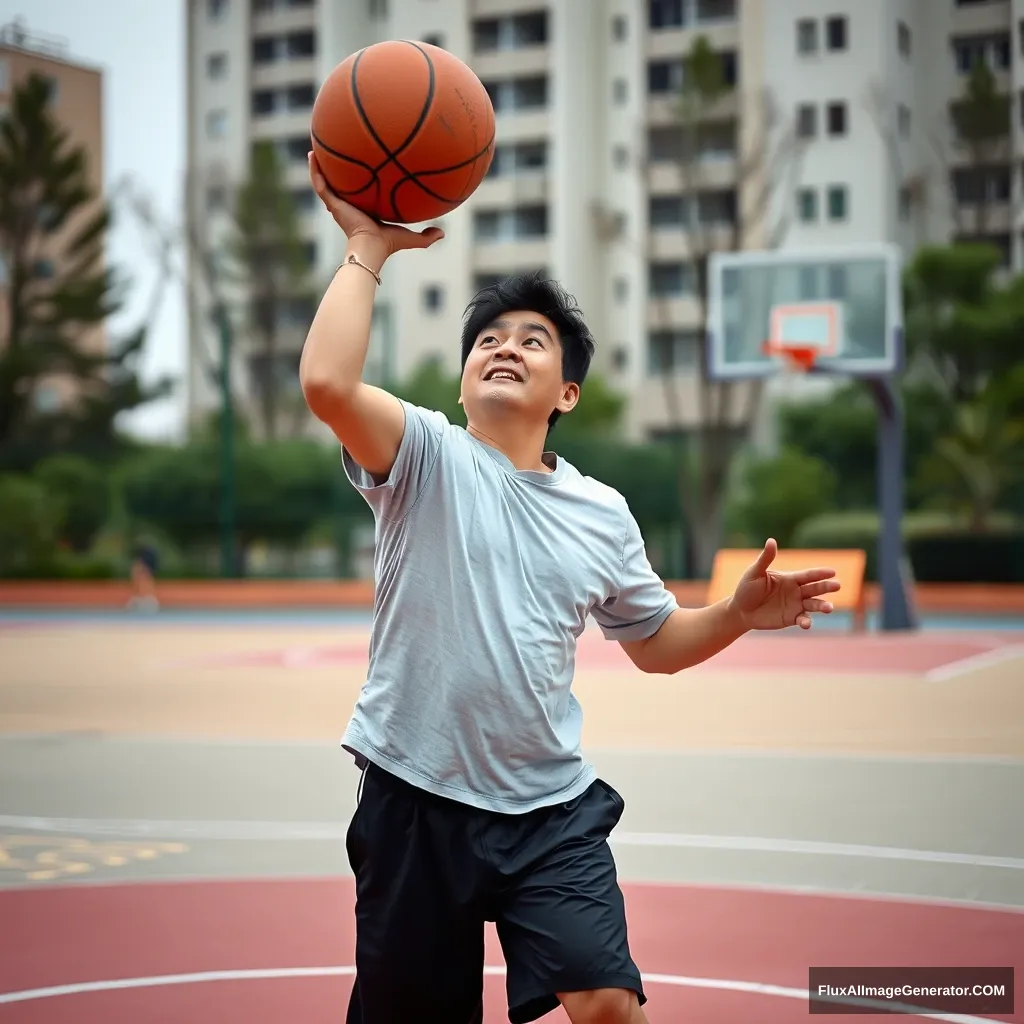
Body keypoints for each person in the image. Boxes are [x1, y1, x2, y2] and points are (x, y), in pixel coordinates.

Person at [300, 152, 841, 1024]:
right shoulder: (426, 456)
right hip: (413, 799)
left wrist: (736, 616)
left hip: (546, 809)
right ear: (465, 380)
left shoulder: (601, 511)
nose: (505, 346)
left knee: (607, 1005)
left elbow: (656, 646)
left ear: (569, 393)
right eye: (488, 340)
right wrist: (368, 248)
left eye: (532, 340)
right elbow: (327, 383)